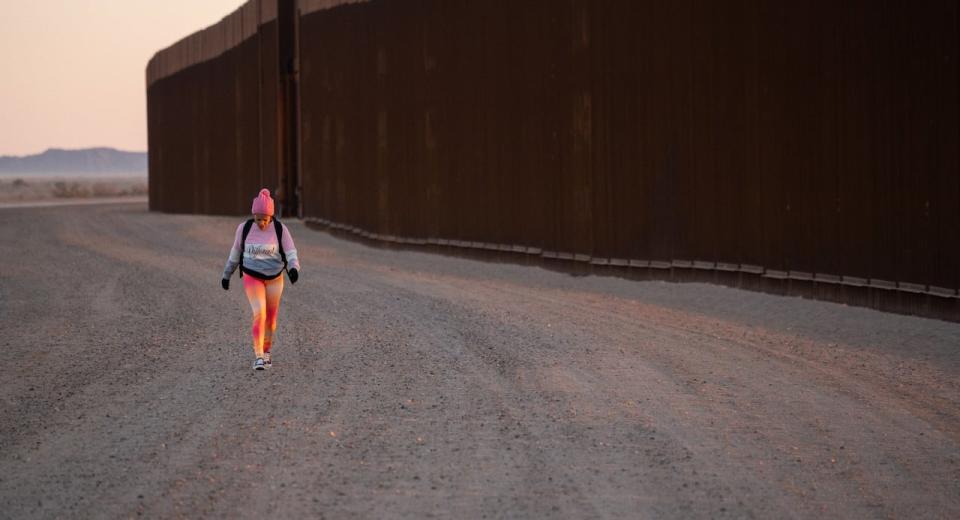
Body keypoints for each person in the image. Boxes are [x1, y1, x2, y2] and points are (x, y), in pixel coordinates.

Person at [221, 188, 301, 370]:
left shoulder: (281, 229)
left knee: (271, 320)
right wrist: (226, 275)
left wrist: (294, 268)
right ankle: (258, 357)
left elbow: (291, 252)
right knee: (259, 313)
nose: (261, 223)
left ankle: (266, 352)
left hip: (275, 278)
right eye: (258, 219)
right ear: (253, 216)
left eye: (265, 219)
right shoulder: (244, 229)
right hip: (252, 275)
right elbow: (235, 254)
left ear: (271, 217)